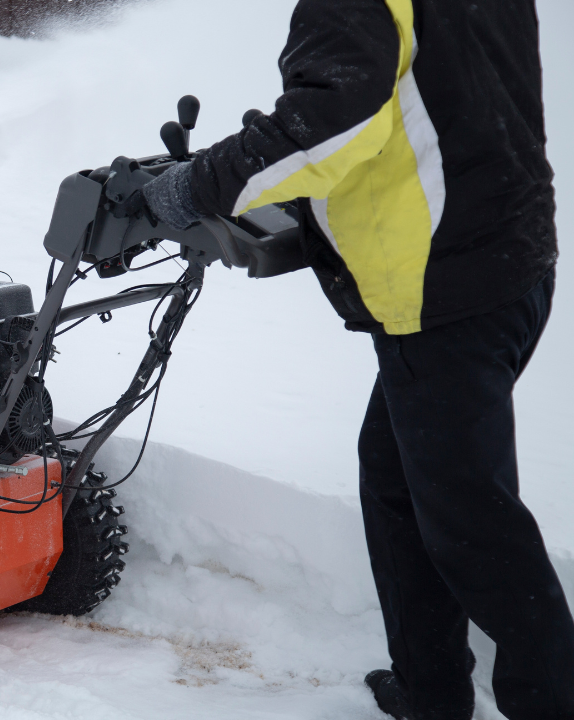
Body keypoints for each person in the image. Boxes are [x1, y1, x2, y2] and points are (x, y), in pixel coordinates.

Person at [126, 1, 573, 718]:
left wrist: (196, 186)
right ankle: (430, 686)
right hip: (508, 261)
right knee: (398, 479)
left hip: (445, 289)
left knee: (472, 528)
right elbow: (434, 100)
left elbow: (332, 124)